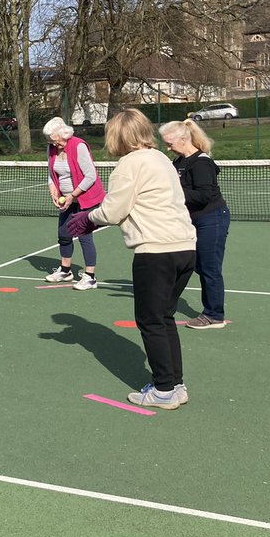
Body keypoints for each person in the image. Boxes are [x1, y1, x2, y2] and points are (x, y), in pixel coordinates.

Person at [67, 109, 197, 410]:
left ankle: (164, 389)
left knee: (151, 320)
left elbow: (113, 211)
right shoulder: (161, 158)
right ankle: (174, 384)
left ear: (119, 137)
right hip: (185, 247)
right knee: (164, 318)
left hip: (156, 251)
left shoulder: (129, 164)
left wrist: (88, 217)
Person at [159, 119, 230, 329]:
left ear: (183, 139)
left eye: (170, 143)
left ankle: (214, 315)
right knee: (194, 264)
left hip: (212, 219)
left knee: (209, 268)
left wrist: (171, 192)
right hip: (191, 221)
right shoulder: (178, 162)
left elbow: (203, 195)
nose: (168, 147)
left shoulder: (202, 163)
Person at [41, 117, 105, 290]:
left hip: (85, 198)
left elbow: (91, 176)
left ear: (64, 134)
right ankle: (65, 270)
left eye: (56, 140)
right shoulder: (52, 148)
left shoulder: (78, 146)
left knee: (84, 236)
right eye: (51, 142)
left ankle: (90, 277)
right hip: (67, 199)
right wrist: (53, 189)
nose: (55, 144)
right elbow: (51, 172)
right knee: (64, 233)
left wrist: (72, 195)